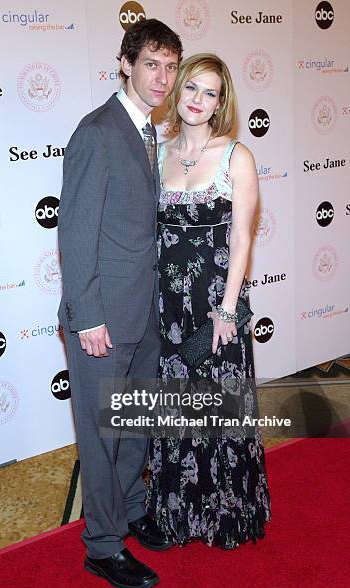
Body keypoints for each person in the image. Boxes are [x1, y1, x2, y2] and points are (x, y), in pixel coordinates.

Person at [58, 19, 182, 588]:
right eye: (152, 63)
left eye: (171, 66)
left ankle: (132, 510)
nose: (163, 77)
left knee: (134, 426)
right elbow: (76, 233)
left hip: (143, 313)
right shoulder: (98, 131)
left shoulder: (149, 132)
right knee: (103, 434)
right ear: (126, 64)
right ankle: (102, 545)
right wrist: (88, 317)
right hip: (103, 319)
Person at [146, 53, 271, 548]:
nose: (198, 100)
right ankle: (177, 512)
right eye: (191, 88)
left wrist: (226, 309)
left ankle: (225, 512)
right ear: (178, 92)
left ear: (222, 102)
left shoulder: (237, 156)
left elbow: (241, 240)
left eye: (210, 92)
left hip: (215, 303)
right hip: (166, 303)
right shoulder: (157, 151)